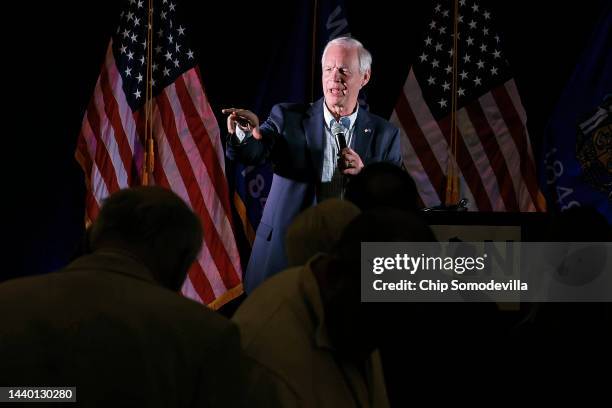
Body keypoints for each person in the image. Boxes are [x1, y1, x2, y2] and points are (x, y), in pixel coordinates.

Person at [0, 187, 245, 407]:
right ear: (180, 263)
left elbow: (12, 394)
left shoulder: (8, 302)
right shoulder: (207, 335)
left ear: (93, 237)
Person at [223, 36, 402, 293]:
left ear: (364, 78)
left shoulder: (385, 134)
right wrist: (244, 135)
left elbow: (393, 201)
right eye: (328, 69)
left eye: (344, 70)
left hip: (348, 261)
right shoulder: (287, 118)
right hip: (284, 254)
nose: (334, 78)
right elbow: (255, 152)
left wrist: (365, 175)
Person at [233, 209, 436, 407]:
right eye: (380, 317)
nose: (387, 335)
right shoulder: (267, 363)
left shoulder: (361, 308)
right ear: (333, 274)